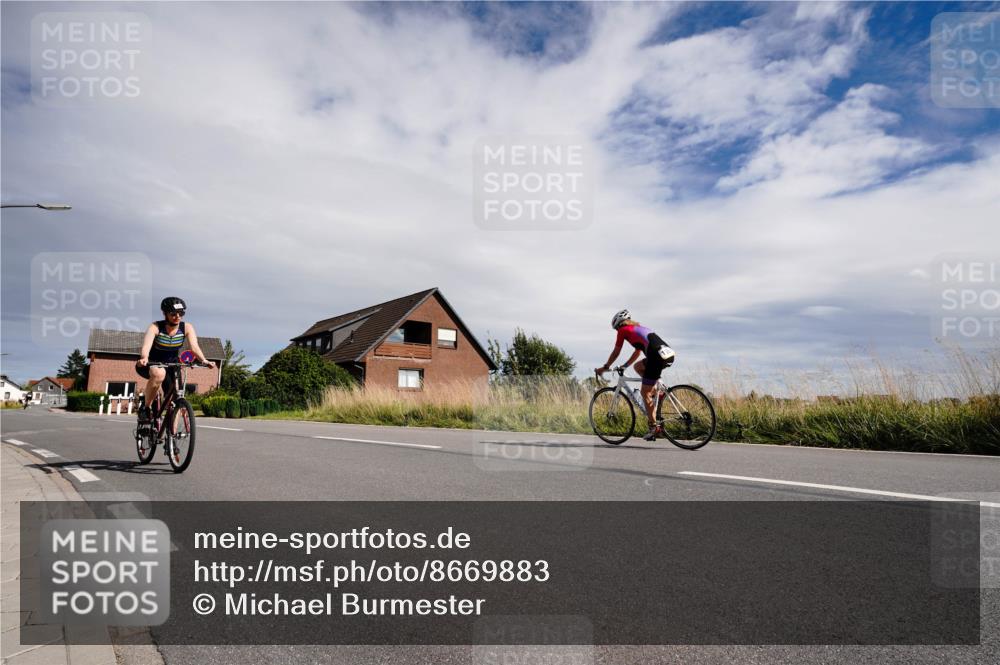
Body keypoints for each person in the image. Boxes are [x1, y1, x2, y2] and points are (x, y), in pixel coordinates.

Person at [595, 309, 675, 441]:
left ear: (619, 324)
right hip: (668, 354)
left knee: (645, 393)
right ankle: (658, 393)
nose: (617, 332)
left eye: (616, 329)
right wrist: (625, 366)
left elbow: (616, 351)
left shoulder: (623, 330)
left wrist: (605, 367)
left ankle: (654, 427)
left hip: (655, 357)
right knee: (638, 367)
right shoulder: (639, 329)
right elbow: (638, 352)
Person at [136, 297, 216, 423]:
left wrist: (204, 360)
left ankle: (172, 438)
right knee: (159, 373)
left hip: (172, 365)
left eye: (181, 313)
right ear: (165, 314)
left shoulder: (186, 328)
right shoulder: (156, 327)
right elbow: (146, 346)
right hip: (151, 363)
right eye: (173, 314)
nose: (177, 316)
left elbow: (194, 347)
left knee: (174, 399)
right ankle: (145, 408)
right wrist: (144, 357)